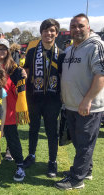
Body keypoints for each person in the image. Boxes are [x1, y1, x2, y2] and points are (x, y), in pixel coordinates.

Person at [56, 13, 104, 190]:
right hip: (71, 105)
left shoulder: (96, 45)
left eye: (81, 26)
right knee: (77, 141)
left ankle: (77, 179)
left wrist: (88, 100)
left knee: (84, 143)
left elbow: (101, 75)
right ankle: (86, 170)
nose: (76, 29)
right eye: (73, 26)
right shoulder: (70, 49)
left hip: (88, 106)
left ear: (88, 27)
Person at [23, 18, 65, 178]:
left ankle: (52, 161)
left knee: (51, 131)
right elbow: (26, 70)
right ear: (41, 33)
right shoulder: (32, 52)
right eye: (46, 30)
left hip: (53, 99)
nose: (49, 33)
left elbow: (63, 76)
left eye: (52, 30)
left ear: (56, 33)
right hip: (34, 97)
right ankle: (31, 155)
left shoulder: (61, 54)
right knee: (33, 128)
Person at [0, 39, 28, 182]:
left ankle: (20, 165)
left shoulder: (14, 69)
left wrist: (23, 74)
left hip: (9, 110)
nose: (1, 51)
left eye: (4, 48)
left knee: (12, 139)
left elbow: (19, 88)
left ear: (8, 51)